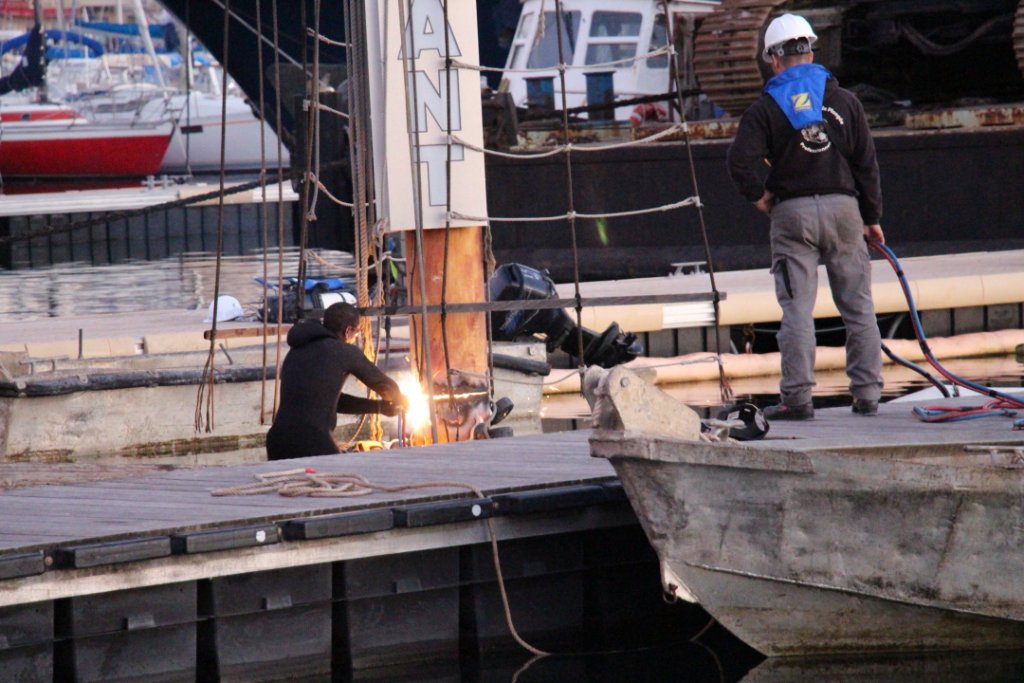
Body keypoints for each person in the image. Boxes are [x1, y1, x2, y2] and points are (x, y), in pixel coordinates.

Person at [726, 13, 884, 420]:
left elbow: (740, 162)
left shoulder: (764, 109)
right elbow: (866, 164)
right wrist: (872, 217)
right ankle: (867, 396)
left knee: (797, 310)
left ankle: (798, 400)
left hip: (792, 214)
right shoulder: (845, 101)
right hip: (845, 210)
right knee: (858, 305)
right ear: (811, 50)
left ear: (773, 60)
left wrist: (760, 196)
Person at [266, 302, 408, 459]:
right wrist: (400, 400)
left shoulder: (296, 350)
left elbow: (330, 400)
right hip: (313, 441)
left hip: (277, 441)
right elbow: (384, 385)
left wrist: (380, 407)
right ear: (348, 331)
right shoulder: (343, 351)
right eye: (357, 332)